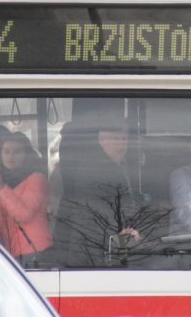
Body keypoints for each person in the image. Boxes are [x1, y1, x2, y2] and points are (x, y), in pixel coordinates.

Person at [54, 98, 142, 266]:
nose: (121, 144)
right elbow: (104, 210)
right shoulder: (96, 169)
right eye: (115, 139)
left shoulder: (118, 165)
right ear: (102, 140)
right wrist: (126, 228)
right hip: (95, 246)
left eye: (124, 139)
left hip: (101, 242)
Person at [0, 131, 53, 264]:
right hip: (11, 251)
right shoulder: (2, 180)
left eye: (17, 152)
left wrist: (1, 187)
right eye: (6, 152)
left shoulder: (36, 179)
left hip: (35, 250)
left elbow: (24, 215)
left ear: (27, 155)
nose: (10, 156)